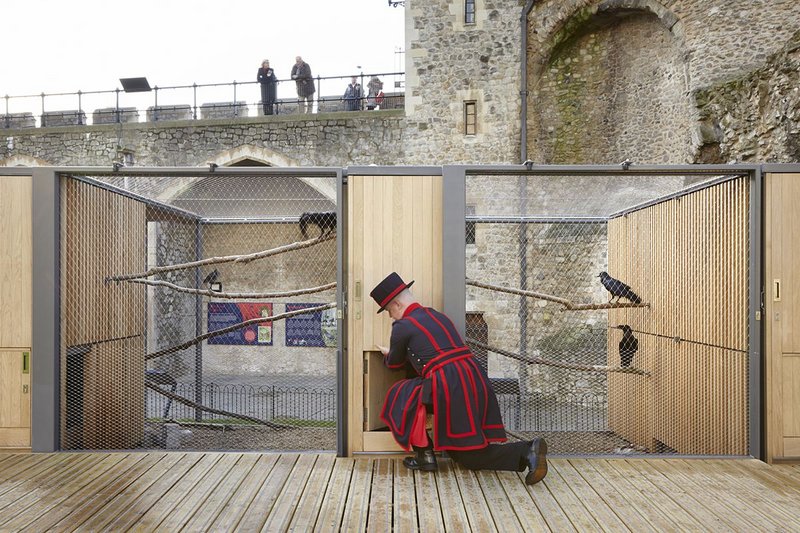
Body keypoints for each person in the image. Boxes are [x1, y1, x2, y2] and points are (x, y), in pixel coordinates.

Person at [370, 272, 548, 485]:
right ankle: (525, 451)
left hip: (449, 383)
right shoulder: (438, 316)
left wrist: (388, 353)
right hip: (474, 377)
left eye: (389, 311)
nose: (391, 316)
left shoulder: (402, 326)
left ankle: (425, 455)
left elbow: (394, 364)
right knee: (462, 452)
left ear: (397, 305)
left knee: (402, 395)